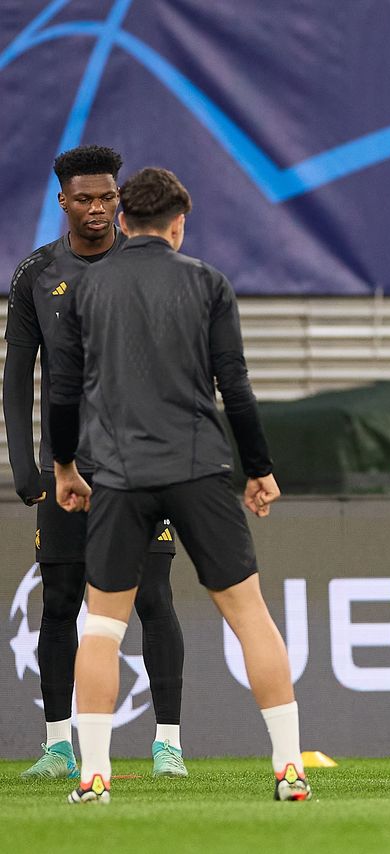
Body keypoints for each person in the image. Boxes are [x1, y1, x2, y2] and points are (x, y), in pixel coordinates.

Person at [48, 166, 311, 803]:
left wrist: (64, 467)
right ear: (178, 223)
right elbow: (237, 390)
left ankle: (94, 776)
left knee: (102, 628)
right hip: (199, 469)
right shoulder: (207, 283)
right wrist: (260, 469)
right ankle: (288, 770)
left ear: (121, 220)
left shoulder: (85, 289)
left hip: (119, 475)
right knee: (250, 618)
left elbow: (61, 394)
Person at [4, 145, 187, 779]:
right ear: (63, 202)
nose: (98, 209)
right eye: (84, 198)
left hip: (140, 465)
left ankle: (169, 744)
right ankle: (58, 744)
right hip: (66, 468)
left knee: (155, 599)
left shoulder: (147, 265)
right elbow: (17, 374)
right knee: (58, 601)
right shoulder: (35, 274)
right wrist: (25, 463)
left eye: (108, 196)